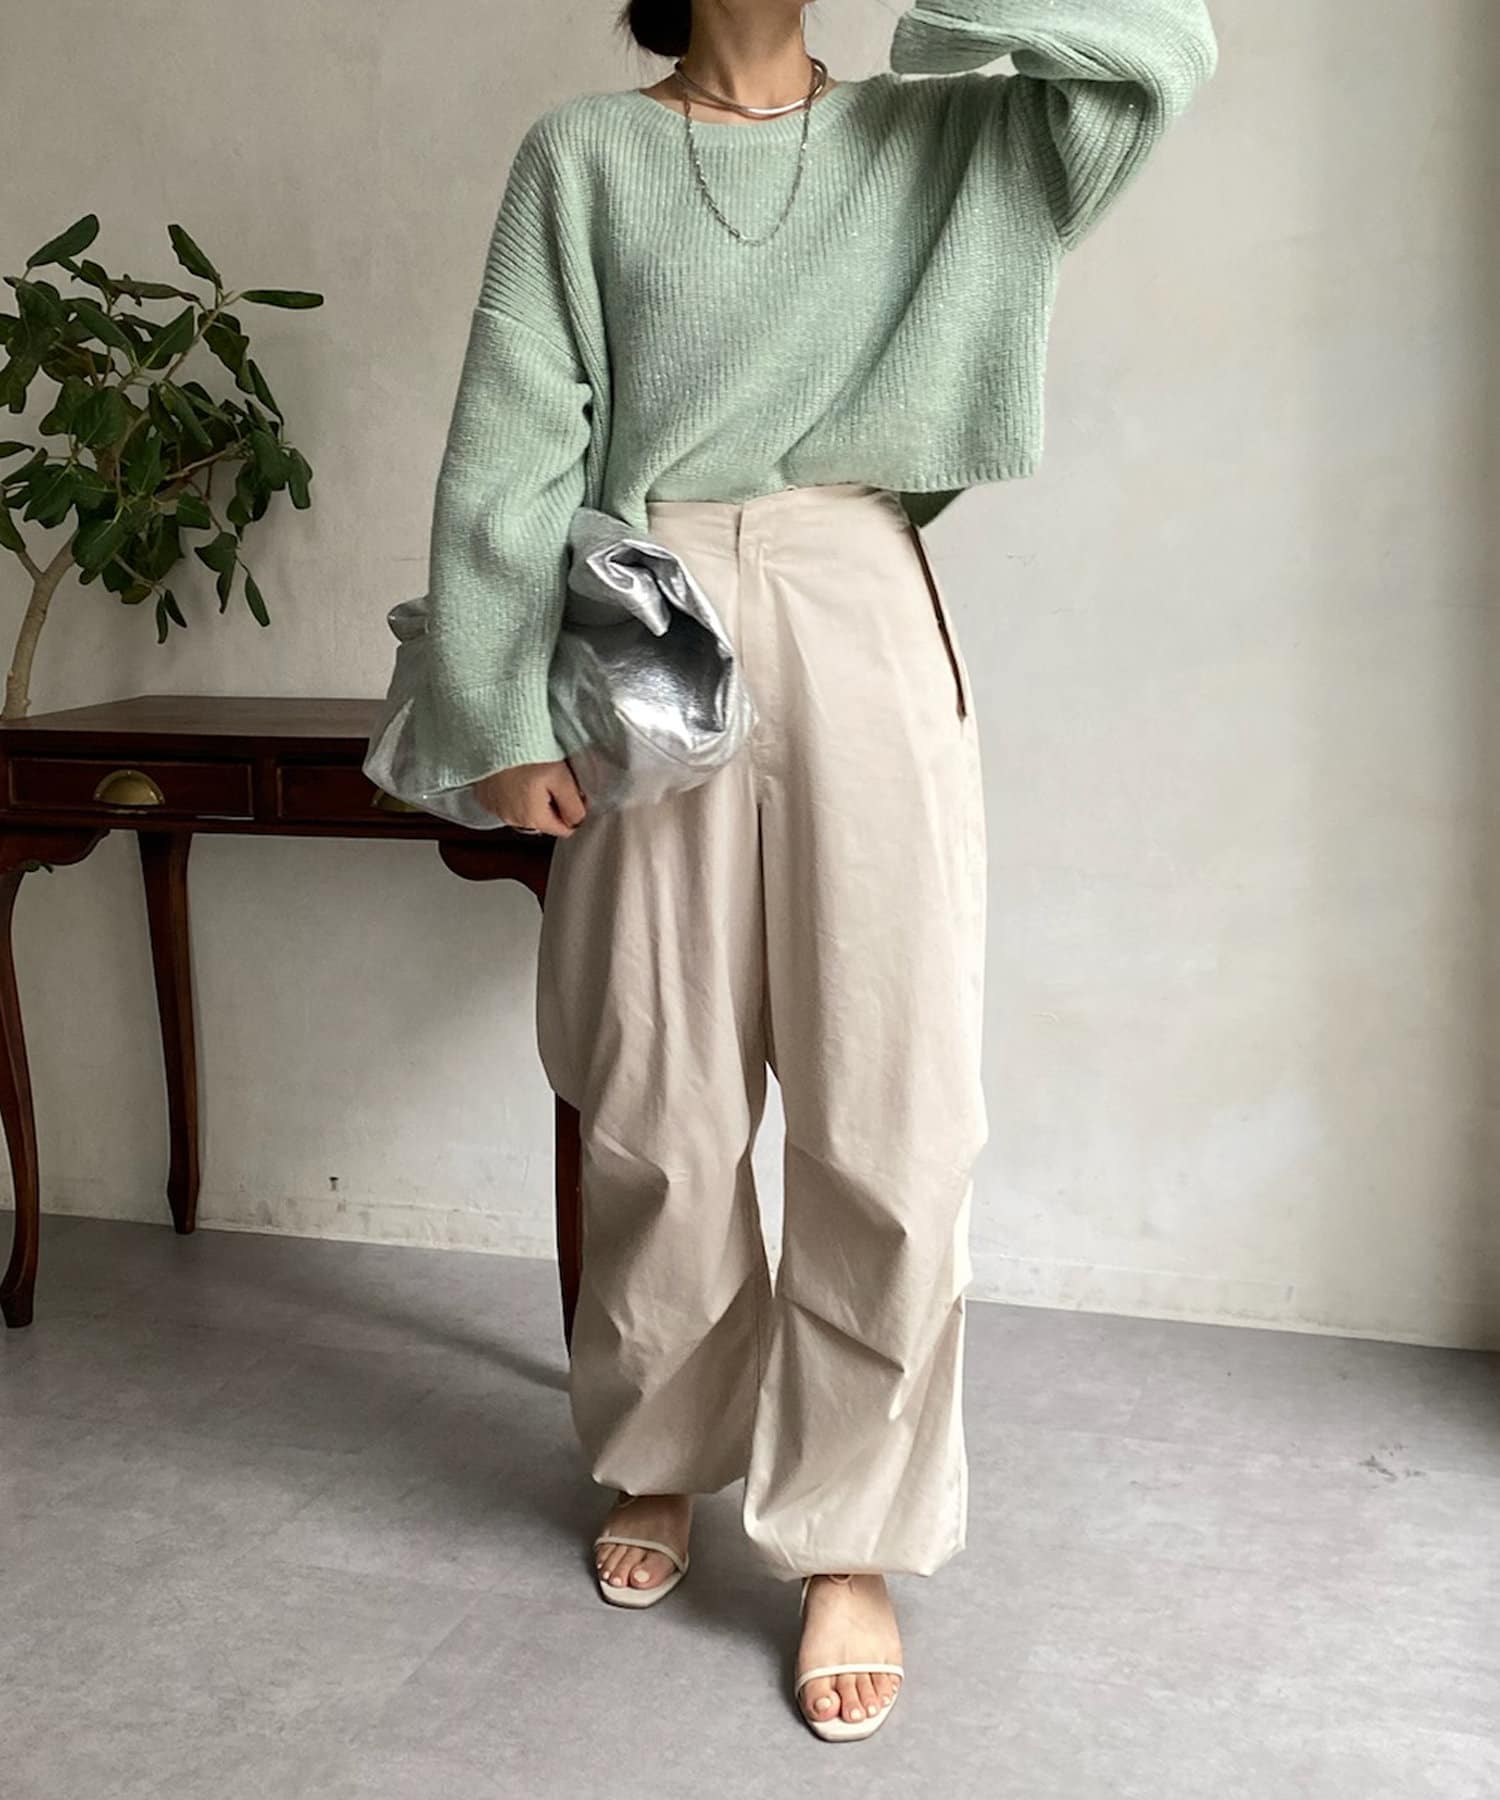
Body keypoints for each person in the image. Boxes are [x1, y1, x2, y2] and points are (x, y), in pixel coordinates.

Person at [365, 0, 1218, 1743]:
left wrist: (949, 19)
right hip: (647, 616)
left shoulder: (946, 128)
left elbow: (1160, 47)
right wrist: (499, 708)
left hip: (860, 600)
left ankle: (851, 1532)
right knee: (652, 1087)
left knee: (891, 1100)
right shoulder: (586, 155)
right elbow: (513, 434)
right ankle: (664, 1443)